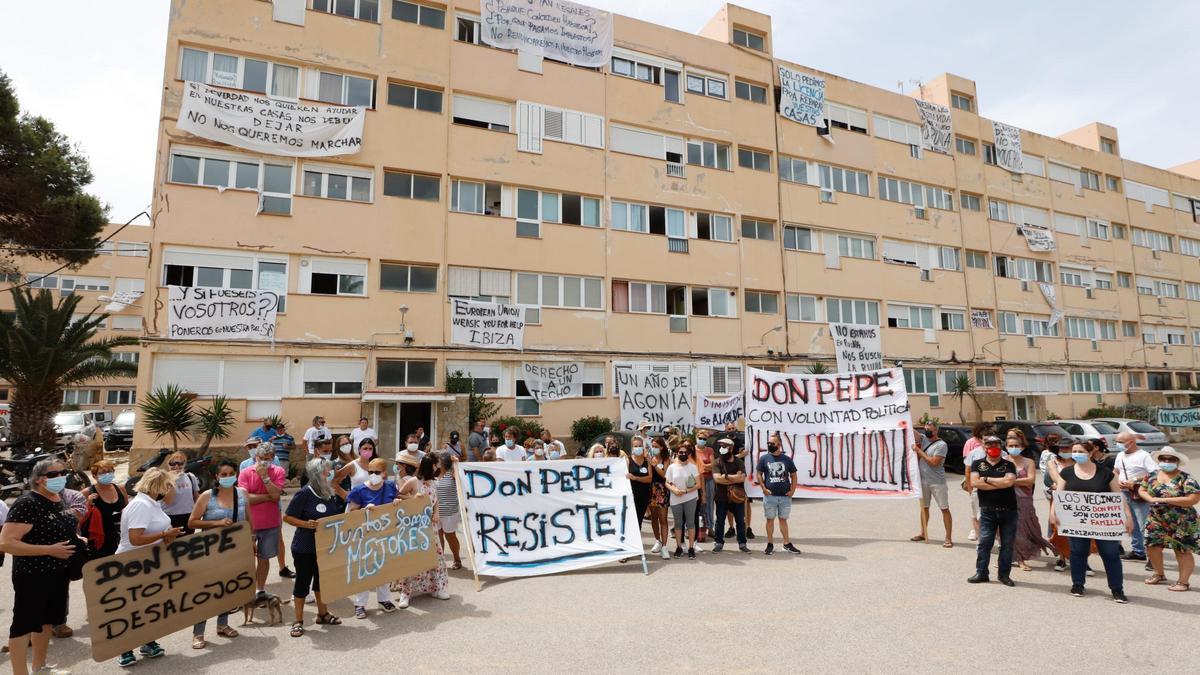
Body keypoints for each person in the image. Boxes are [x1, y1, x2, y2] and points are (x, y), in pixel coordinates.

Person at [0, 459, 86, 675]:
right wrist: (48, 550)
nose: (62, 476)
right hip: (33, 574)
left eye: (63, 472)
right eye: (56, 474)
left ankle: (40, 667)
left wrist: (76, 539)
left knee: (47, 622)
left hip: (58, 572)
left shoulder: (58, 498)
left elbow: (59, 527)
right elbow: (6, 543)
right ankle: (20, 673)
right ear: (39, 479)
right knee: (25, 624)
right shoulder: (27, 503)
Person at [115, 468, 183, 666]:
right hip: (131, 564)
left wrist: (168, 536)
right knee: (131, 607)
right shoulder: (141, 505)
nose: (170, 488)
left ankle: (146, 642)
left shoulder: (153, 503)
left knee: (148, 604)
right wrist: (164, 535)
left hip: (148, 563)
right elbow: (136, 539)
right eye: (167, 484)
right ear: (158, 486)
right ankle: (124, 649)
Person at [1051, 441, 1132, 602]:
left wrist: (1128, 516)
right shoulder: (1066, 473)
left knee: (1110, 554)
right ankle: (1078, 584)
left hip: (1103, 523)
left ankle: (1117, 589)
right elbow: (1058, 494)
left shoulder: (1106, 474)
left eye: (1080, 451)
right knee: (1078, 553)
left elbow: (1119, 497)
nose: (1076, 454)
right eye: (1074, 451)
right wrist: (1053, 513)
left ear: (1090, 453)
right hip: (1077, 522)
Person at [188, 461, 246, 648]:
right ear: (217, 477)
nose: (227, 476)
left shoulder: (242, 494)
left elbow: (249, 522)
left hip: (234, 551)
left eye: (231, 473)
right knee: (205, 592)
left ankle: (223, 624)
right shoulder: (206, 496)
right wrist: (217, 523)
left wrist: (251, 541)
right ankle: (198, 633)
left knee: (227, 589)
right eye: (223, 474)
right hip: (209, 552)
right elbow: (192, 522)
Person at [284, 458, 342, 636]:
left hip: (324, 549)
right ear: (318, 474)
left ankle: (322, 613)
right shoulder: (304, 494)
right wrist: (304, 524)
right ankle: (298, 620)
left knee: (321, 582)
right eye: (327, 471)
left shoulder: (329, 493)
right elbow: (287, 517)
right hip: (305, 548)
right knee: (303, 583)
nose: (330, 473)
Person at [393, 454, 451, 607]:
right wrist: (412, 499)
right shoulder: (413, 481)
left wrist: (437, 512)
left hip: (430, 526)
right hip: (414, 526)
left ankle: (437, 588)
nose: (437, 467)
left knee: (435, 556)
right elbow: (398, 495)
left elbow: (436, 499)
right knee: (412, 558)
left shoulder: (434, 482)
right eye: (435, 465)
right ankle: (405, 593)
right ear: (429, 466)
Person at [346, 458, 401, 618]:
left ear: (384, 473)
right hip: (365, 537)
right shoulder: (359, 491)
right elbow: (350, 516)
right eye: (370, 472)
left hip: (386, 536)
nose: (373, 475)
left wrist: (398, 502)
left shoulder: (391, 487)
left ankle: (384, 600)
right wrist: (364, 510)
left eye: (377, 472)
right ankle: (360, 604)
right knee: (365, 570)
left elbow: (397, 506)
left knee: (383, 568)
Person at [1138, 448, 1198, 592]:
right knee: (1152, 546)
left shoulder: (1186, 478)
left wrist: (1165, 499)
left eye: (1171, 459)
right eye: (1163, 459)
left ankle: (1183, 582)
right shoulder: (1151, 476)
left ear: (1177, 461)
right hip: (1156, 518)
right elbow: (1142, 490)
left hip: (1182, 520)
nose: (1167, 462)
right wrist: (1151, 499)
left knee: (1182, 550)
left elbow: (1193, 498)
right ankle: (1159, 574)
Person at [239, 443, 286, 602]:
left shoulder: (278, 471)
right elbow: (245, 499)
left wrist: (265, 478)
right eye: (261, 458)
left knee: (264, 558)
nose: (264, 462)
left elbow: (276, 496)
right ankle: (246, 591)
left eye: (267, 459)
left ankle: (260, 590)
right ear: (255, 457)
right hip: (249, 524)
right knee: (247, 560)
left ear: (272, 458)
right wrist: (268, 497)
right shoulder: (245, 472)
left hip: (270, 523)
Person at [968, 436, 1018, 587]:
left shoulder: (1009, 464)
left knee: (1007, 545)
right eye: (989, 445)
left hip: (1009, 510)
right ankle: (981, 572)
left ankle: (1004, 575)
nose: (992, 447)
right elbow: (974, 482)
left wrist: (986, 479)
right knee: (984, 543)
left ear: (1000, 446)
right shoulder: (977, 464)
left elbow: (1009, 482)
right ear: (984, 447)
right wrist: (999, 483)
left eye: (996, 444)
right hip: (988, 511)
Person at [1006, 435, 1051, 571]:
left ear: (1022, 447)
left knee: (1026, 529)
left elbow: (1030, 480)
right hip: (1005, 499)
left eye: (1016, 446)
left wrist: (1010, 482)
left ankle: (1024, 555)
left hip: (1024, 499)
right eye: (1011, 446)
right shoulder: (1002, 461)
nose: (1013, 448)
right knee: (1007, 530)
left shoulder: (1028, 462)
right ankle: (1015, 558)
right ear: (1006, 447)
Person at [1113, 431, 1159, 562]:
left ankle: (1153, 557)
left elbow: (1155, 473)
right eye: (1117, 441)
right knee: (1131, 524)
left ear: (1131, 442)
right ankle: (1138, 551)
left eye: (1120, 442)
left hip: (1139, 493)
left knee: (1144, 524)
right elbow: (1116, 471)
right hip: (1123, 492)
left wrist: (1136, 480)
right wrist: (1116, 481)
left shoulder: (1144, 455)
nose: (1117, 444)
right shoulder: (1120, 455)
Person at [756, 434, 800, 555]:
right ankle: (770, 544)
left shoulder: (787, 459)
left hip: (785, 496)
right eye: (768, 443)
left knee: (783, 520)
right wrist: (763, 488)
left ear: (779, 444)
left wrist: (793, 490)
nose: (770, 445)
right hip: (770, 496)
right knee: (769, 520)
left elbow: (794, 475)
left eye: (772, 443)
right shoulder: (764, 458)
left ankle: (786, 543)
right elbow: (759, 473)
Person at [911, 422, 953, 548]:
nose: (927, 431)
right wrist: (905, 411)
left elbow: (933, 462)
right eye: (925, 429)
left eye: (929, 429)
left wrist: (918, 451)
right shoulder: (923, 439)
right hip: (923, 481)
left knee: (944, 508)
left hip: (937, 482)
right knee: (924, 508)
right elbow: (911, 430)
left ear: (936, 431)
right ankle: (923, 533)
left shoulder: (941, 445)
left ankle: (948, 537)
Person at [80, 458, 128, 559]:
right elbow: (79, 518)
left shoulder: (121, 488)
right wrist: (88, 503)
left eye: (110, 471)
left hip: (120, 534)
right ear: (94, 476)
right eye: (102, 473)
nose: (107, 475)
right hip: (98, 537)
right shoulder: (87, 492)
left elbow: (128, 509)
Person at [712, 438, 750, 554]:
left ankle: (742, 543)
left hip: (737, 497)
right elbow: (717, 479)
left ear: (731, 448)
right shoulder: (717, 462)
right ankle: (718, 543)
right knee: (720, 520)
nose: (722, 448)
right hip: (721, 497)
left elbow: (742, 477)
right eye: (721, 446)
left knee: (740, 520)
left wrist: (726, 477)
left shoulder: (739, 462)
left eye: (725, 446)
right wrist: (734, 478)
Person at [1044, 439, 1076, 571]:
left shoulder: (1080, 462)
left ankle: (1081, 559)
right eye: (1061, 448)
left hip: (1078, 500)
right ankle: (1062, 558)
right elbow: (1057, 479)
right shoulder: (1053, 462)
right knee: (1059, 529)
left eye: (1067, 448)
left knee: (1079, 530)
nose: (1064, 451)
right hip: (1060, 499)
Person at [664, 443, 700, 559]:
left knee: (690, 523)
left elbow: (698, 484)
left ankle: (690, 548)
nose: (683, 454)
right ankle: (679, 547)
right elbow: (667, 482)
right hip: (675, 498)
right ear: (677, 453)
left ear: (689, 454)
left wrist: (685, 491)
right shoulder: (671, 467)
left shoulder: (693, 467)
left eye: (685, 452)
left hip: (690, 498)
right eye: (681, 452)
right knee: (678, 524)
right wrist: (674, 489)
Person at [433, 452, 463, 569]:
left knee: (450, 535)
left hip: (450, 512)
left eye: (439, 460)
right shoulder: (433, 474)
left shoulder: (452, 473)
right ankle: (440, 561)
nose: (437, 463)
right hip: (436, 512)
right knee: (438, 536)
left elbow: (460, 475)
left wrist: (456, 462)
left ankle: (457, 559)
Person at [962, 427, 989, 542]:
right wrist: (970, 488)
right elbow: (967, 471)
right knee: (977, 514)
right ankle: (980, 540)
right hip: (977, 489)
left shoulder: (1001, 453)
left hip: (994, 490)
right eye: (985, 439)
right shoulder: (973, 452)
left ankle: (998, 539)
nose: (987, 442)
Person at [162, 450, 199, 534]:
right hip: (169, 516)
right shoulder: (163, 479)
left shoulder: (190, 476)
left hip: (188, 515)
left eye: (180, 463)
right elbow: (168, 501)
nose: (176, 466)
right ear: (168, 464)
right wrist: (172, 480)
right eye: (172, 464)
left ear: (184, 464)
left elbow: (196, 496)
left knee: (188, 542)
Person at [647, 436, 671, 560]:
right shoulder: (650, 458)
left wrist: (655, 465)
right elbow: (649, 475)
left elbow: (665, 475)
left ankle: (665, 546)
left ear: (662, 447)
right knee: (654, 518)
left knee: (663, 519)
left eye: (656, 446)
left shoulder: (666, 459)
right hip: (652, 489)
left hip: (662, 490)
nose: (654, 449)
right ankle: (658, 540)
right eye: (653, 446)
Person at [627, 436, 653, 528]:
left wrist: (635, 478)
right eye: (636, 446)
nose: (638, 448)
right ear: (632, 447)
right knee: (630, 521)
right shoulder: (628, 460)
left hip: (644, 496)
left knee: (639, 521)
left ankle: (637, 541)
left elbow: (649, 478)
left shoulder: (647, 461)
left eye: (640, 446)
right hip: (631, 496)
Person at [694, 431, 715, 542]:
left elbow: (712, 466)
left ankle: (710, 527)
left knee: (709, 504)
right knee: (696, 505)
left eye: (704, 439)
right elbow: (692, 465)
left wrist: (701, 466)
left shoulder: (709, 450)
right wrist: (704, 466)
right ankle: (694, 528)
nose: (702, 440)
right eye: (700, 438)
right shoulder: (692, 450)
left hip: (708, 480)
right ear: (697, 437)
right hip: (696, 481)